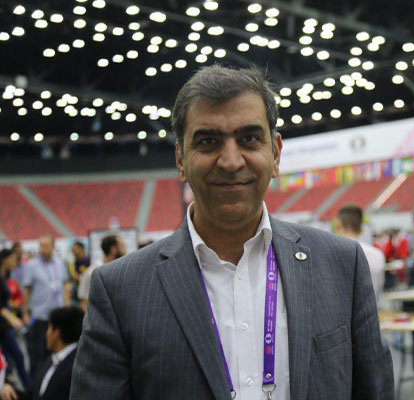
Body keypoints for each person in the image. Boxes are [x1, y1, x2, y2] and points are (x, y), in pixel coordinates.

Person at [70, 65, 393, 400]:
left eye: (249, 139)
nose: (230, 161)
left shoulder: (343, 266)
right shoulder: (120, 291)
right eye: (208, 141)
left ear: (276, 153)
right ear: (180, 159)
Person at [1, 306, 84, 400]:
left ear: (56, 333)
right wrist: (12, 392)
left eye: (49, 328)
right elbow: (34, 395)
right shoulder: (52, 360)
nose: (47, 333)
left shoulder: (76, 367)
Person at [22, 236, 69, 376]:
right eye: (41, 246)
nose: (43, 250)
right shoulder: (32, 265)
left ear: (53, 246)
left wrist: (66, 307)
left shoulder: (60, 264)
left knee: (55, 353)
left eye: (46, 246)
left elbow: (65, 285)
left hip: (56, 316)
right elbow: (26, 289)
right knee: (37, 353)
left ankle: (50, 381)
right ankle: (36, 384)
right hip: (39, 316)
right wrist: (25, 312)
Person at [334, 204, 386, 298]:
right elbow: (379, 288)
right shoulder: (378, 254)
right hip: (372, 305)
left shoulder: (331, 254)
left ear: (338, 224)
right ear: (361, 230)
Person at [0, 249, 30, 389]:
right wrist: (12, 319)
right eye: (12, 258)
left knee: (10, 359)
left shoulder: (6, 277)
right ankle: (28, 389)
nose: (15, 261)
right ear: (4, 259)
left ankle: (23, 388)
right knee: (16, 356)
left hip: (5, 325)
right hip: (5, 325)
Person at [77, 235, 125, 312]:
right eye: (122, 246)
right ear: (113, 249)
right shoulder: (92, 272)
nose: (125, 250)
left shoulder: (122, 270)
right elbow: (84, 302)